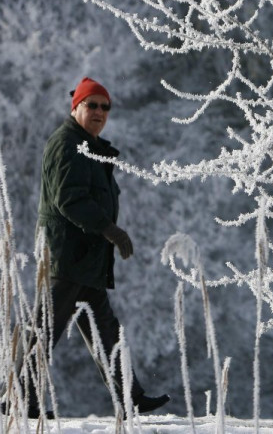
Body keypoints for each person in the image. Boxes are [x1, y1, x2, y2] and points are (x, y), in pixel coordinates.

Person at [28, 77, 169, 418]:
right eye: (92, 104)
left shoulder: (90, 145)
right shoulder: (68, 144)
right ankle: (19, 398)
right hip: (65, 258)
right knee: (45, 329)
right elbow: (70, 199)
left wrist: (107, 233)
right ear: (75, 107)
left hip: (85, 260)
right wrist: (109, 229)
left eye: (105, 106)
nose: (100, 112)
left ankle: (130, 397)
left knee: (106, 330)